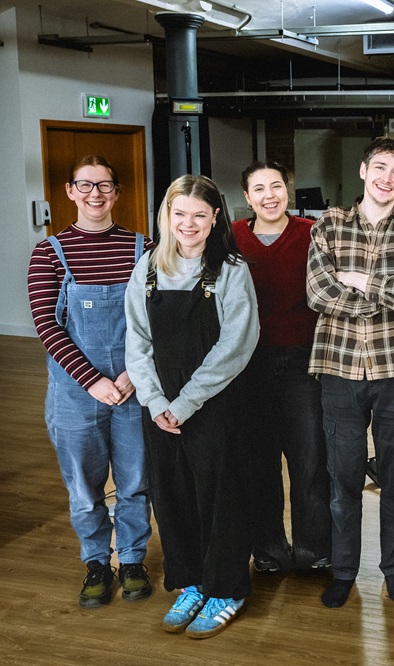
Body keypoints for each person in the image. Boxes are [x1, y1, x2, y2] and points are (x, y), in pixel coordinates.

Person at [306, 138, 394, 608]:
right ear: (364, 170)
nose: (387, 178)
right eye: (379, 167)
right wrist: (388, 293)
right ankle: (344, 570)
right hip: (339, 368)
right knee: (342, 482)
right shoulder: (329, 223)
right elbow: (319, 293)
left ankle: (393, 568)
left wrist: (361, 280)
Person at [125, 175, 259, 639]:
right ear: (166, 215)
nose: (189, 224)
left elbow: (235, 346)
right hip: (159, 405)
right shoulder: (145, 269)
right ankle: (189, 581)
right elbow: (136, 342)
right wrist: (155, 401)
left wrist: (184, 403)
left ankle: (226, 588)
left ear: (215, 218)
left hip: (214, 402)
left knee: (219, 494)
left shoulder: (230, 269)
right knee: (173, 492)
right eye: (179, 214)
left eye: (200, 215)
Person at [27, 155, 154, 608]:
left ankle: (134, 559)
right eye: (85, 186)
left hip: (134, 386)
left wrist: (132, 374)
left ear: (118, 192)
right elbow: (46, 323)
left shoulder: (145, 248)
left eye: (104, 185)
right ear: (69, 191)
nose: (94, 194)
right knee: (84, 486)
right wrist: (93, 381)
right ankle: (98, 562)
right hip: (75, 392)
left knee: (136, 481)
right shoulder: (50, 252)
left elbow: (157, 319)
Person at [233, 161, 331, 574]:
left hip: (302, 362)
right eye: (260, 188)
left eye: (277, 186)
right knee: (260, 465)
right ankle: (270, 552)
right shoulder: (232, 236)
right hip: (247, 364)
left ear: (287, 191)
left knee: (309, 462)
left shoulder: (312, 233)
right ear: (247, 197)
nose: (270, 195)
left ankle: (314, 553)